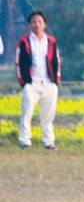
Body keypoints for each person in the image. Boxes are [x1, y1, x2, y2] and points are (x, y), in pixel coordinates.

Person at [16, 11, 61, 150]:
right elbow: (18, 62)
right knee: (27, 112)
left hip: (48, 82)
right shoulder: (24, 41)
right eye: (34, 22)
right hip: (32, 83)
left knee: (48, 114)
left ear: (44, 24)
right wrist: (24, 82)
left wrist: (56, 81)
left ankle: (48, 141)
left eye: (39, 22)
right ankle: (25, 140)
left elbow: (56, 61)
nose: (37, 24)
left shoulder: (51, 41)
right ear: (29, 24)